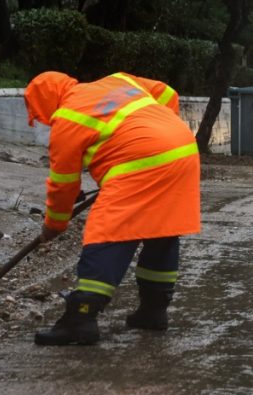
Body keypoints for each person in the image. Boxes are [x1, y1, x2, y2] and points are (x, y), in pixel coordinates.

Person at [23, 71, 200, 346]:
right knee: (162, 230)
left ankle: (80, 318)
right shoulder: (117, 80)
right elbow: (168, 94)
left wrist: (54, 225)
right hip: (182, 149)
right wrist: (159, 131)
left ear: (44, 103)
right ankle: (153, 312)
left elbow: (63, 185)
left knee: (108, 234)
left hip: (141, 161)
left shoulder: (67, 118)